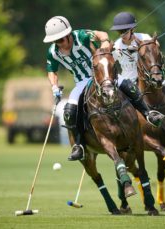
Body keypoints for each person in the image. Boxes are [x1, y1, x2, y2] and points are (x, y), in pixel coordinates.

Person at [43, 16, 111, 161]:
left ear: (68, 35)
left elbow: (102, 34)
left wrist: (104, 44)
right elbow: (52, 71)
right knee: (69, 112)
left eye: (61, 40)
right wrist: (54, 87)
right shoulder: (53, 52)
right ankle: (78, 145)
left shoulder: (81, 36)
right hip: (82, 81)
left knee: (128, 87)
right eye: (55, 41)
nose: (59, 44)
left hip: (102, 76)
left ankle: (148, 115)